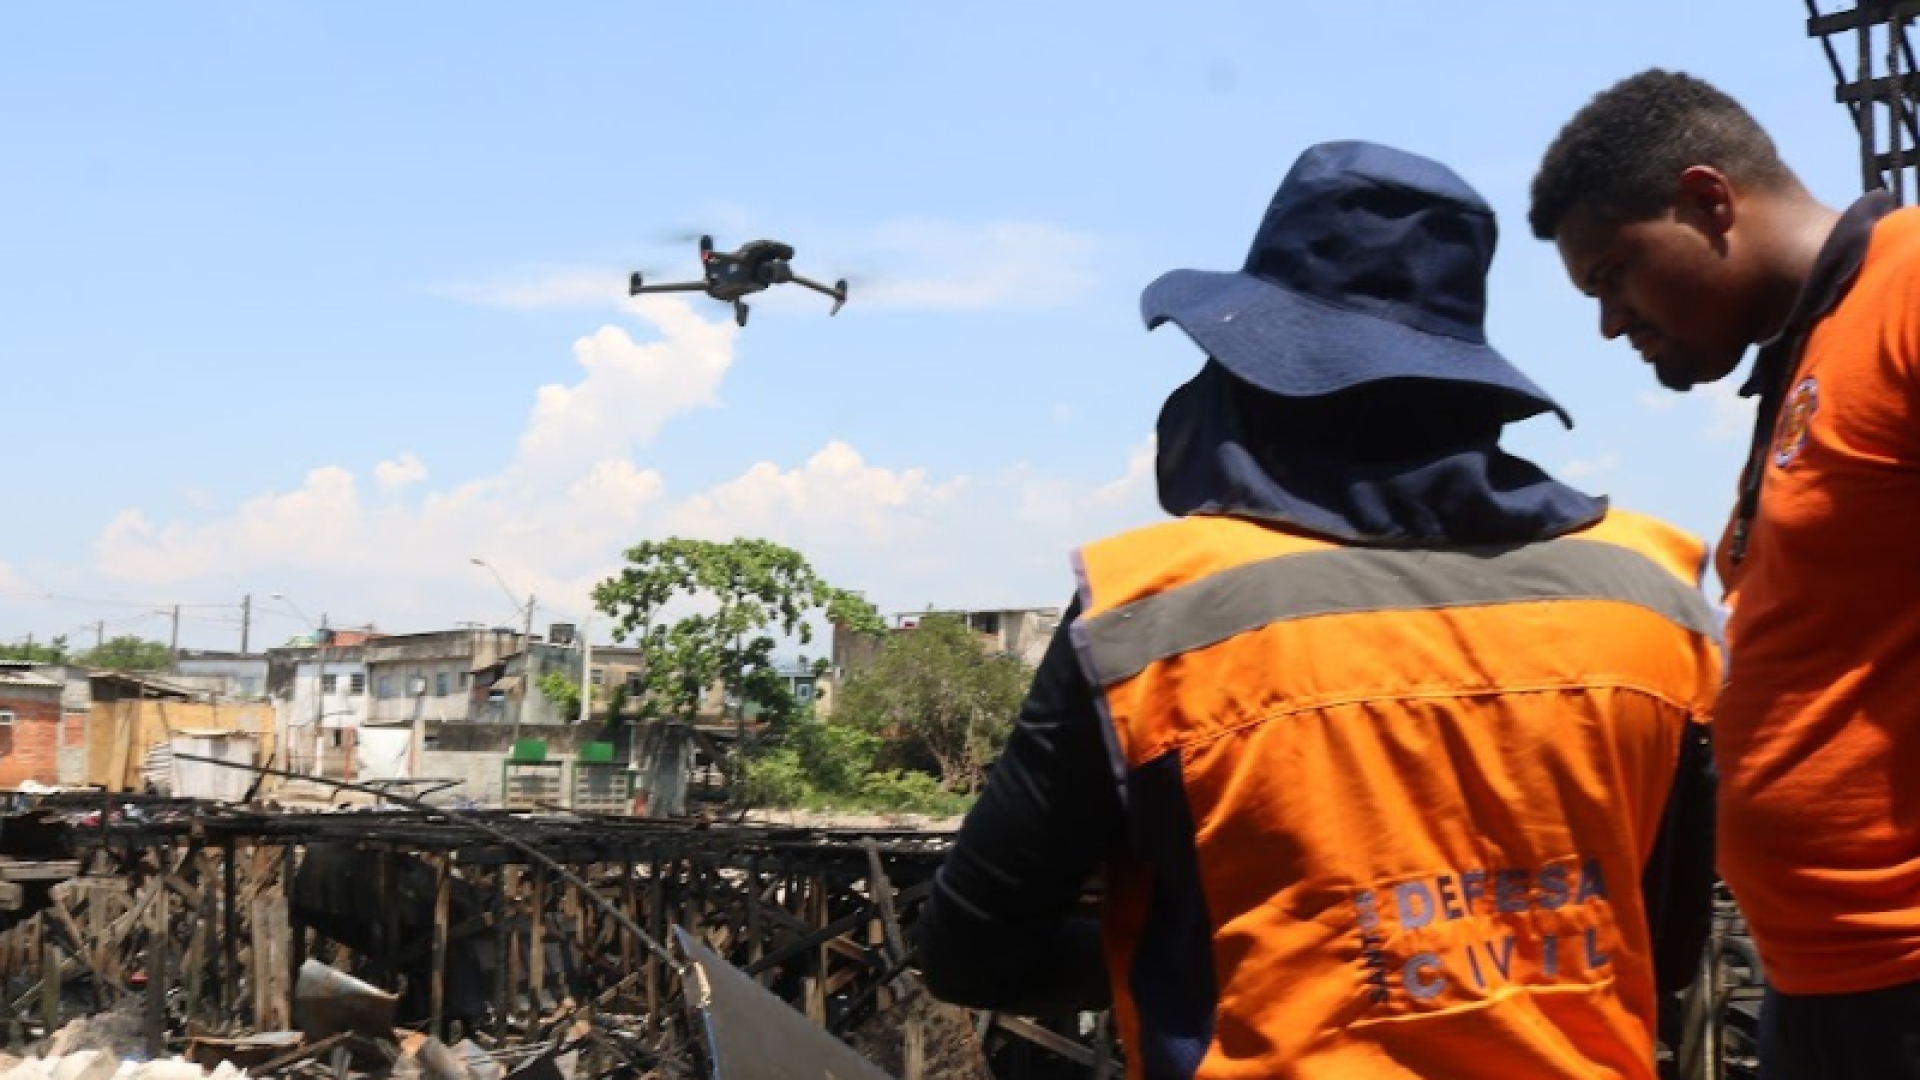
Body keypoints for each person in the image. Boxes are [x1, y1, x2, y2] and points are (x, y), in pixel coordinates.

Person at [916, 140, 1723, 1079]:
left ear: (1257, 374)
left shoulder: (1155, 615)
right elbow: (1661, 949)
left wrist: (1253, 952)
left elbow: (971, 951)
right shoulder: (1653, 600)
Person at [1530, 69, 1920, 1077]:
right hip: (1824, 983)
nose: (1611, 323)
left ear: (1709, 202)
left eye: (1613, 273)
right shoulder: (1813, 349)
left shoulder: (1909, 293)